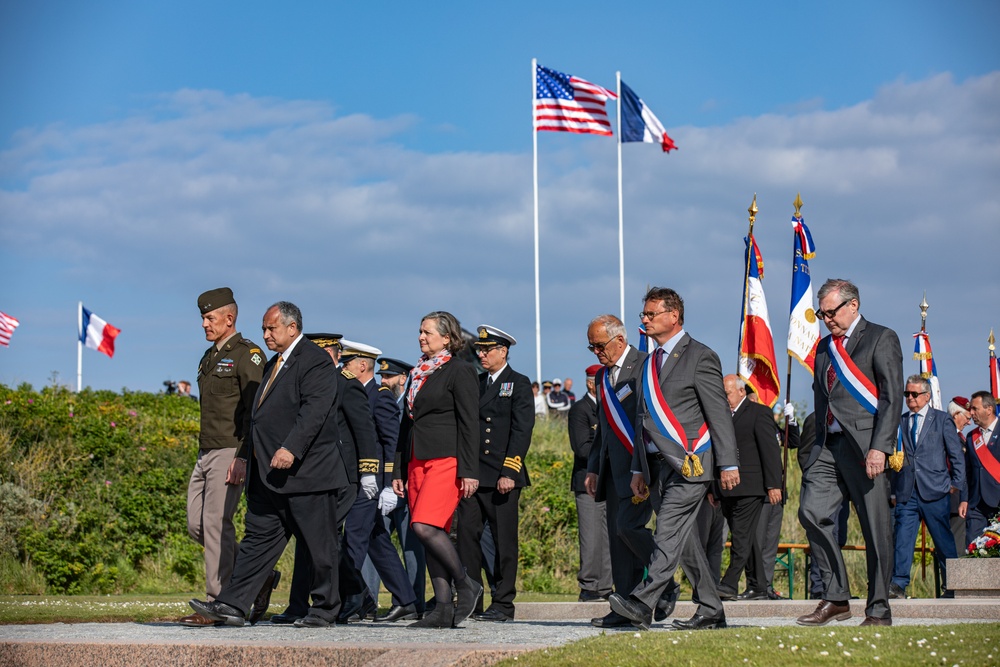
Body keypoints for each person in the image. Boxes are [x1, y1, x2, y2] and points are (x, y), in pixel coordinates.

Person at [189, 301, 353, 628]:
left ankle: (324, 609)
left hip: (307, 475)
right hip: (269, 478)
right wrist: (249, 458)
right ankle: (233, 605)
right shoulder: (273, 364)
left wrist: (291, 447)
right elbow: (259, 418)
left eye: (271, 328)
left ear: (292, 328)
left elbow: (315, 410)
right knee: (256, 545)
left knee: (320, 547)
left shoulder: (314, 361)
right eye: (264, 328)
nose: (265, 334)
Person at [608, 288, 739, 632]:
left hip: (691, 463)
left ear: (673, 316)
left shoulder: (700, 356)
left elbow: (718, 413)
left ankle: (643, 601)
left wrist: (728, 463)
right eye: (644, 315)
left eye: (651, 314)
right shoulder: (648, 364)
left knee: (666, 529)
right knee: (685, 543)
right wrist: (638, 467)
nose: (645, 320)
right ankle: (711, 609)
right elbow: (642, 419)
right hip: (655, 466)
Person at [797, 279, 902, 627]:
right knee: (812, 513)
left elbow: (890, 397)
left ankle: (879, 608)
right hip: (829, 446)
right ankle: (837, 597)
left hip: (866, 448)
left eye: (831, 312)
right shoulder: (825, 348)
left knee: (875, 529)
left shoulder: (880, 337)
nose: (826, 319)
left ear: (853, 305)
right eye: (821, 313)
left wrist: (880, 447)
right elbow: (819, 397)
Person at [268, 332, 380, 626]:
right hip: (315, 474)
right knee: (315, 539)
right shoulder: (309, 383)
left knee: (320, 539)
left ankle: (342, 599)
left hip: (343, 475)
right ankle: (341, 598)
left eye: (322, 354)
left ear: (335, 354)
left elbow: (364, 431)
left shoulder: (346, 384)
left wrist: (368, 472)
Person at [180, 287, 267, 627]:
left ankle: (218, 601)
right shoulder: (208, 357)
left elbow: (254, 411)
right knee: (196, 524)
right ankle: (256, 577)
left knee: (217, 524)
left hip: (231, 450)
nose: (204, 323)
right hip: (205, 450)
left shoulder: (248, 355)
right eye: (203, 317)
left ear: (229, 318)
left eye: (210, 317)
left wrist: (244, 456)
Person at [392, 311, 482, 628]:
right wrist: (398, 469)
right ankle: (442, 609)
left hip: (447, 459)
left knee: (423, 526)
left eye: (427, 332)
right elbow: (407, 424)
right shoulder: (419, 372)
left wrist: (470, 470)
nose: (421, 336)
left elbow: (470, 422)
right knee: (433, 534)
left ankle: (466, 583)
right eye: (420, 331)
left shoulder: (460, 371)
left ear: (447, 337)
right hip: (416, 460)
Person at [584, 314, 672, 629]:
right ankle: (626, 604)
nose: (596, 352)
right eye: (591, 347)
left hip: (642, 469)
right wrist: (594, 467)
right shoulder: (602, 377)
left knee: (628, 528)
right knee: (619, 542)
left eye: (600, 345)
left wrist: (640, 468)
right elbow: (603, 428)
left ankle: (664, 582)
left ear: (619, 340)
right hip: (612, 470)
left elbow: (647, 422)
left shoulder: (646, 366)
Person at [457, 325, 534, 622]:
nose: (482, 354)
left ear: (503, 351)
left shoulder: (518, 383)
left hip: (501, 476)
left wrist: (509, 472)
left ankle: (503, 602)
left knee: (504, 543)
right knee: (467, 538)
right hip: (474, 475)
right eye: (480, 350)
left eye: (488, 350)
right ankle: (471, 598)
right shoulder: (475, 383)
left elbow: (521, 431)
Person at [339, 341, 418, 623]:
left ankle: (349, 599)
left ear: (362, 365)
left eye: (345, 364)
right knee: (378, 542)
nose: (342, 368)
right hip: (361, 480)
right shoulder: (356, 394)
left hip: (373, 484)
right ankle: (406, 600)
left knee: (355, 539)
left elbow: (390, 443)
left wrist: (387, 484)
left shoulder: (380, 396)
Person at [361, 356, 428, 619]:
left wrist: (396, 480)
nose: (384, 381)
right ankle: (368, 600)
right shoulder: (378, 399)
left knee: (411, 546)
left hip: (405, 485)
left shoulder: (409, 404)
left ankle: (414, 602)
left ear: (404, 378)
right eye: (381, 376)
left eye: (389, 377)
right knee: (374, 541)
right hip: (382, 484)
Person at [890, 374, 966, 598]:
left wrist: (956, 484)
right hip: (907, 492)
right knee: (903, 540)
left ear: (926, 396)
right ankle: (898, 585)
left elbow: (956, 456)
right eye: (907, 394)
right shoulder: (901, 421)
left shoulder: (941, 420)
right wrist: (894, 490)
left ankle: (952, 586)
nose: (910, 398)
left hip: (935, 491)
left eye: (914, 394)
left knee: (943, 541)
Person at [717, 375, 783, 601]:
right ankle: (758, 586)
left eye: (727, 393)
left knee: (742, 538)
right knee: (748, 537)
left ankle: (729, 583)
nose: (724, 398)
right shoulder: (721, 416)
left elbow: (770, 451)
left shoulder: (758, 413)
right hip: (726, 488)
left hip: (751, 487)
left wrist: (774, 484)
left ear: (741, 392)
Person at [569, 364, 612, 602]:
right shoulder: (580, 410)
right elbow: (582, 447)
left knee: (608, 536)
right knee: (591, 536)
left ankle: (605, 585)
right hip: (588, 479)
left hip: (610, 480)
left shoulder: (610, 408)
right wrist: (610, 455)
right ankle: (589, 584)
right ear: (589, 382)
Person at [756, 402, 799, 599]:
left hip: (778, 492)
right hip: (759, 490)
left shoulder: (771, 426)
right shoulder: (750, 422)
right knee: (758, 541)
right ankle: (756, 586)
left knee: (771, 543)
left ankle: (766, 586)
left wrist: (792, 421)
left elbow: (792, 442)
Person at [965, 391, 1000, 541]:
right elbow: (967, 472)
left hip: (998, 499)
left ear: (989, 409)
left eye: (975, 409)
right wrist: (964, 499)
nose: (971, 413)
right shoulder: (971, 436)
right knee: (972, 548)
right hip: (976, 503)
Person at [946, 396, 974, 555]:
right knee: (955, 548)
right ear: (956, 414)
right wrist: (963, 498)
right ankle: (952, 580)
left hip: (958, 499)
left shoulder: (957, 437)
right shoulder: (948, 437)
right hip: (953, 499)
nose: (969, 422)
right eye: (967, 418)